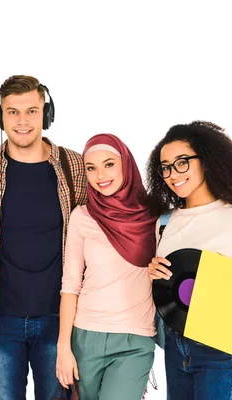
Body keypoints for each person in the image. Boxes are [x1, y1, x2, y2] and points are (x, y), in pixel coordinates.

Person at [0, 75, 87, 400]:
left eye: (32, 111)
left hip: (58, 320)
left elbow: (94, 232)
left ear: (46, 113)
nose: (22, 121)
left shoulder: (73, 165)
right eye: (12, 112)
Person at [146, 120, 232, 400]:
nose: (173, 174)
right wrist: (153, 271)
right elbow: (168, 289)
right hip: (176, 345)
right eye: (166, 167)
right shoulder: (164, 222)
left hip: (221, 348)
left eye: (182, 162)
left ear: (206, 161)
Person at [56, 133, 158, 400]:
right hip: (85, 336)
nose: (100, 174)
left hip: (135, 338)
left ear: (126, 163)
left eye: (109, 164)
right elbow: (70, 285)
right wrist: (63, 347)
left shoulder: (155, 216)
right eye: (91, 168)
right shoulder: (82, 216)